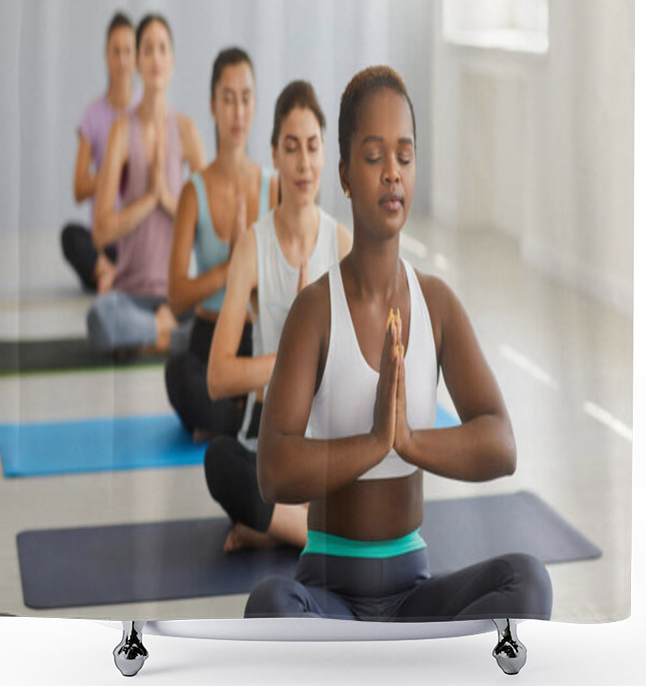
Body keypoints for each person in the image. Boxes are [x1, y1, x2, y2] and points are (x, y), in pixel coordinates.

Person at [244, 66, 553, 622]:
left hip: (414, 596)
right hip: (329, 593)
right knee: (271, 604)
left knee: (527, 582)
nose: (392, 174)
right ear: (343, 173)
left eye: (404, 157)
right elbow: (274, 470)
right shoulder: (315, 312)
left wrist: (407, 442)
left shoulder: (436, 304)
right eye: (373, 156)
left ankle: (374, 667)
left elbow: (501, 444)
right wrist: (373, 442)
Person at [205, 80, 352, 552]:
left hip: (328, 446)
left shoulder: (343, 245)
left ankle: (270, 527)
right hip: (271, 447)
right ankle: (319, 533)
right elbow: (217, 377)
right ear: (274, 154)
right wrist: (292, 356)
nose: (304, 163)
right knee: (220, 461)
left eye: (312, 147)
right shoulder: (253, 246)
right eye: (292, 148)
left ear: (326, 152)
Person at [164, 48, 277, 441]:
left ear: (256, 103)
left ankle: (222, 419)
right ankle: (246, 418)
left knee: (292, 370)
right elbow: (177, 297)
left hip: (256, 340)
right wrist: (228, 272)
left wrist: (253, 276)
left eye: (246, 98)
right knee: (177, 373)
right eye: (228, 99)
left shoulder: (274, 187)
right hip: (207, 338)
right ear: (213, 105)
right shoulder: (194, 193)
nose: (238, 111)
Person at [86, 14, 206, 354]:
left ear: (172, 60)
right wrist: (146, 202)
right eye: (148, 50)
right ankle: (160, 333)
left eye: (162, 49)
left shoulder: (185, 131)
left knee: (227, 314)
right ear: (137, 61)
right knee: (99, 317)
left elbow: (212, 224)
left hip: (176, 297)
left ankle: (150, 337)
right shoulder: (121, 133)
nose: (155, 58)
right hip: (130, 295)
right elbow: (100, 231)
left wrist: (167, 199)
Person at [61, 12, 139, 293]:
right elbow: (79, 187)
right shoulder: (92, 116)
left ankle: (114, 277)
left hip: (136, 235)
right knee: (70, 236)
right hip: (104, 242)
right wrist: (114, 167)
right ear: (106, 56)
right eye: (115, 51)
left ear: (137, 57)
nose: (121, 60)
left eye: (128, 51)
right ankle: (113, 274)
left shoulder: (147, 111)